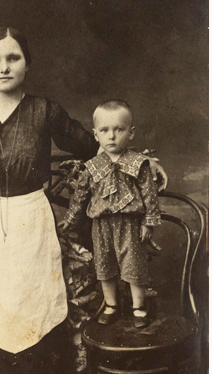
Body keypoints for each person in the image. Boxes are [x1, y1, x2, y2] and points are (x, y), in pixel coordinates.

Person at [0, 27, 168, 374]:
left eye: (13, 57)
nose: (4, 67)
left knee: (34, 308)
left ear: (27, 64)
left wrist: (143, 163)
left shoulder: (45, 111)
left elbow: (96, 147)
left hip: (33, 218)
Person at [58, 100, 160, 328]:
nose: (112, 136)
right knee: (104, 265)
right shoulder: (92, 167)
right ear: (96, 135)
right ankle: (111, 305)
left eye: (119, 129)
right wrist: (70, 220)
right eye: (104, 130)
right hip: (101, 225)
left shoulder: (138, 164)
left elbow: (149, 194)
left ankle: (138, 308)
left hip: (130, 224)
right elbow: (80, 197)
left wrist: (148, 223)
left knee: (133, 265)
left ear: (131, 133)